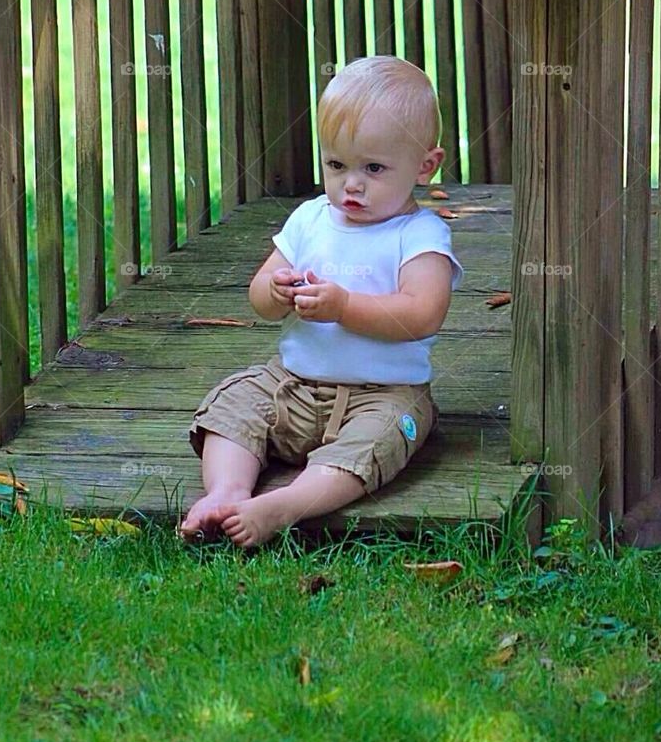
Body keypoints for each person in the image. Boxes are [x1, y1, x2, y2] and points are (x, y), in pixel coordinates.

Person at [178, 55, 464, 548]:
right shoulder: (311, 219)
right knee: (234, 403)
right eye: (336, 164)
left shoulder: (420, 235)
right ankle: (225, 492)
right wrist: (276, 291)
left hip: (384, 393)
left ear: (425, 166)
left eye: (373, 168)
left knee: (374, 444)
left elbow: (423, 314)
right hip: (292, 385)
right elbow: (259, 299)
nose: (351, 183)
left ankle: (283, 505)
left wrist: (344, 307)